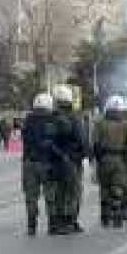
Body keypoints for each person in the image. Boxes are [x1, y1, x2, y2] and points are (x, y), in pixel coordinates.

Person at [92, 96, 127, 228]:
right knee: (117, 187)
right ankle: (117, 216)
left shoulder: (100, 124)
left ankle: (105, 215)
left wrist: (95, 159)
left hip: (104, 160)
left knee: (104, 187)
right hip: (119, 159)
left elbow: (94, 143)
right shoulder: (125, 124)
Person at [50, 85, 89, 234]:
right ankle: (70, 221)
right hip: (72, 160)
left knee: (59, 192)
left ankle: (58, 221)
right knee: (74, 192)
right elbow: (82, 139)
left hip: (55, 161)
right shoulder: (74, 117)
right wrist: (85, 154)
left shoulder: (51, 117)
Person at [21, 93, 58, 236]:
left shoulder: (28, 121)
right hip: (46, 163)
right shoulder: (52, 121)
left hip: (29, 163)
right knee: (50, 195)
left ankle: (31, 225)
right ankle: (52, 224)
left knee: (31, 197)